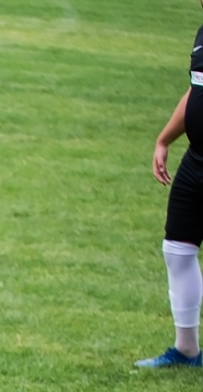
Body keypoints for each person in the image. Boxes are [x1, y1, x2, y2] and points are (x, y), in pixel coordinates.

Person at [137, 13, 203, 369]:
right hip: (196, 162)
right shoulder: (202, 35)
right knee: (177, 249)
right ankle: (187, 349)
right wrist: (164, 139)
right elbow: (197, 91)